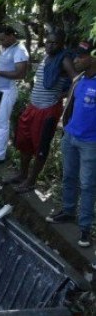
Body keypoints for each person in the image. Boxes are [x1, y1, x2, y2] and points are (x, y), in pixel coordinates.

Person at [7, 30, 77, 193]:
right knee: (24, 143)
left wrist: (65, 94)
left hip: (48, 109)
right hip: (33, 107)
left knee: (41, 147)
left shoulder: (64, 59)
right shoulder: (47, 57)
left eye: (55, 43)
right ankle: (23, 174)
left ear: (61, 45)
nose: (50, 45)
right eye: (48, 42)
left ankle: (31, 181)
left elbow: (77, 79)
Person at [46, 40, 96, 248]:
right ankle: (67, 211)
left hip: (90, 143)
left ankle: (85, 228)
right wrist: (66, 128)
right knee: (69, 177)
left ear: (92, 58)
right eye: (75, 56)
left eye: (80, 57)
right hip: (71, 138)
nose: (75, 60)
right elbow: (71, 105)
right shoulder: (78, 80)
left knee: (87, 185)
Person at [0, 25, 29, 165]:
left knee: (1, 124)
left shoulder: (19, 50)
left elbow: (21, 74)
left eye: (3, 39)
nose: (1, 42)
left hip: (6, 92)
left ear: (11, 36)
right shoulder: (5, 47)